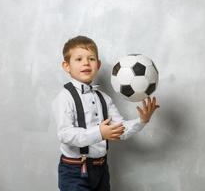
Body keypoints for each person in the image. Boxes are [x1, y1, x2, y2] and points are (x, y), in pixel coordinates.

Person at [52, 35, 159, 191]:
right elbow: (65, 134)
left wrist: (141, 121)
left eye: (91, 59)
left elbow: (120, 130)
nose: (86, 63)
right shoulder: (65, 97)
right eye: (79, 59)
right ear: (66, 66)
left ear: (98, 64)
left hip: (101, 169)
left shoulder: (104, 98)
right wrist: (99, 133)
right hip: (74, 170)